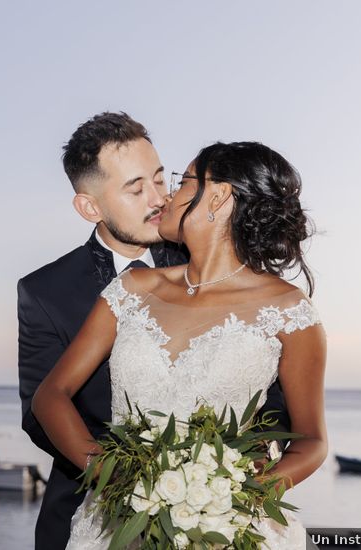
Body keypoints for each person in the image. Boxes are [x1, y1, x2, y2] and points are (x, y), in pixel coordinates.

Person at [32, 141, 328, 549]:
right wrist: (111, 476)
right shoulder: (132, 289)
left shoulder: (288, 310)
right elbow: (50, 395)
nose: (167, 196)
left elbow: (311, 440)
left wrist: (236, 496)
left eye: (183, 182)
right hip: (115, 528)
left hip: (226, 531)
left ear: (219, 196)